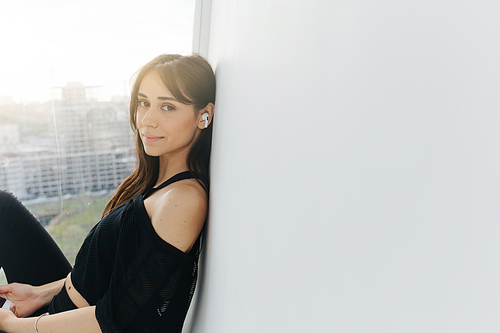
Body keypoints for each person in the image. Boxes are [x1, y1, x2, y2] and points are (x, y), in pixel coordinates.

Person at [0, 54, 215, 333]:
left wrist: (16, 326)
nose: (147, 120)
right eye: (144, 103)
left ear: (203, 115)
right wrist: (39, 294)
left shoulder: (183, 200)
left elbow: (118, 317)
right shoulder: (156, 183)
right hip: (62, 305)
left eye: (168, 107)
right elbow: (105, 273)